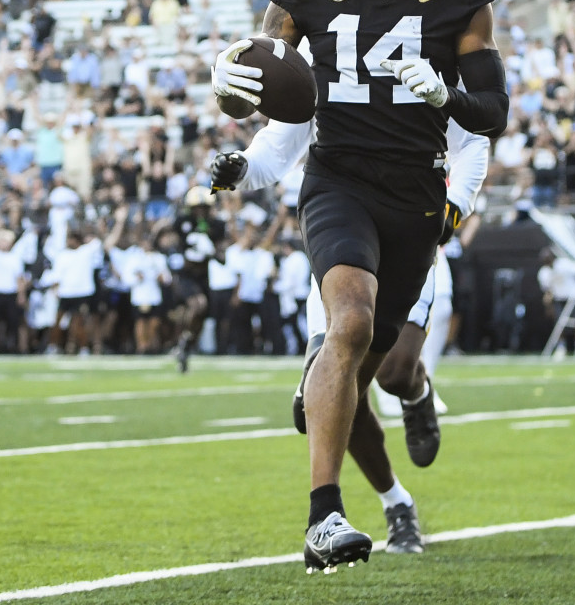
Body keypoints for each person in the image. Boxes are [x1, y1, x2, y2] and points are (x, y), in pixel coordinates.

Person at [211, 0, 507, 570]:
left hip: (415, 193)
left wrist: (449, 95)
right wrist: (232, 83)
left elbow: (493, 111)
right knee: (346, 325)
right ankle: (325, 517)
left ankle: (403, 401)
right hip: (338, 177)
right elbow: (268, 78)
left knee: (381, 366)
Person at [209, 115, 489, 557]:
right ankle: (391, 504)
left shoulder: (421, 48)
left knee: (395, 375)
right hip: (342, 232)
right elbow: (282, 140)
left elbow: (473, 138)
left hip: (411, 230)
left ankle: (415, 390)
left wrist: (455, 205)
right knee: (330, 395)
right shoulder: (321, 51)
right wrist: (242, 167)